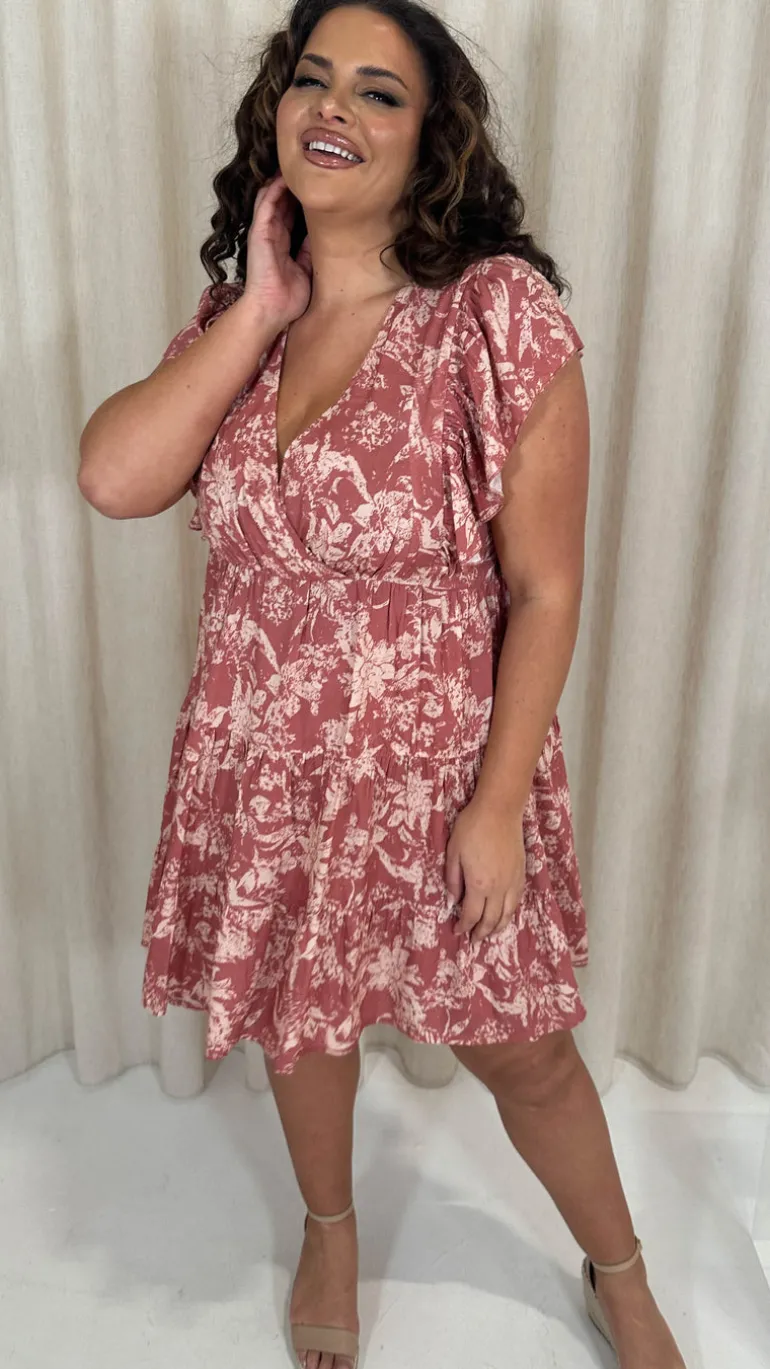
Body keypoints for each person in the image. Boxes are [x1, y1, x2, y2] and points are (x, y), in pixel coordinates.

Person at [78, 2, 688, 1366]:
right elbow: (114, 477)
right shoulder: (240, 321)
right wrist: (258, 310)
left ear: (432, 138)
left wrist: (494, 808)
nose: (333, 108)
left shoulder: (493, 313)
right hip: (268, 757)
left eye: (378, 91)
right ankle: (330, 1230)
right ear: (277, 112)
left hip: (439, 771)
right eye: (311, 79)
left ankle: (621, 1268)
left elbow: (545, 591)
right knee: (300, 1023)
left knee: (524, 1048)